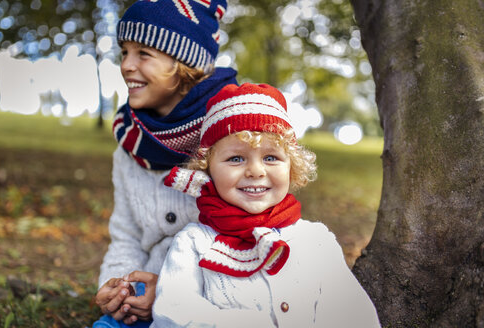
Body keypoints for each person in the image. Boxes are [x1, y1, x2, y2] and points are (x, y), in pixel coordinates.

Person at [156, 83, 381, 327]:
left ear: (292, 167)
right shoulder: (193, 243)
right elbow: (173, 312)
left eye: (271, 157)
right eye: (236, 158)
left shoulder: (316, 241)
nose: (255, 170)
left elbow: (353, 315)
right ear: (207, 169)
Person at [93, 0, 237, 327]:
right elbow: (127, 236)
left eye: (144, 53)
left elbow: (247, 236)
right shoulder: (130, 144)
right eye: (124, 52)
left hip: (220, 302)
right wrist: (117, 287)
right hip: (145, 300)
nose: (127, 65)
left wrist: (172, 291)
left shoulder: (230, 136)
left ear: (186, 64)